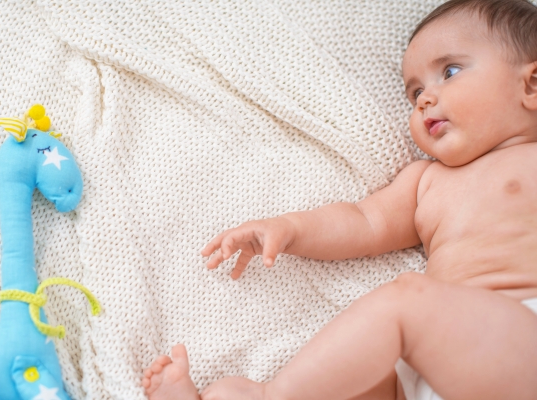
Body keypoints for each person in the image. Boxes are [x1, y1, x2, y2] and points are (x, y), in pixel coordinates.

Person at [140, 0, 537, 399]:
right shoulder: (426, 181)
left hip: (520, 344)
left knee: (406, 302)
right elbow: (365, 221)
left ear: (531, 85)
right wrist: (290, 229)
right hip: (429, 372)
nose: (424, 100)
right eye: (414, 91)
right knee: (351, 375)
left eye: (449, 72)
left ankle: (271, 396)